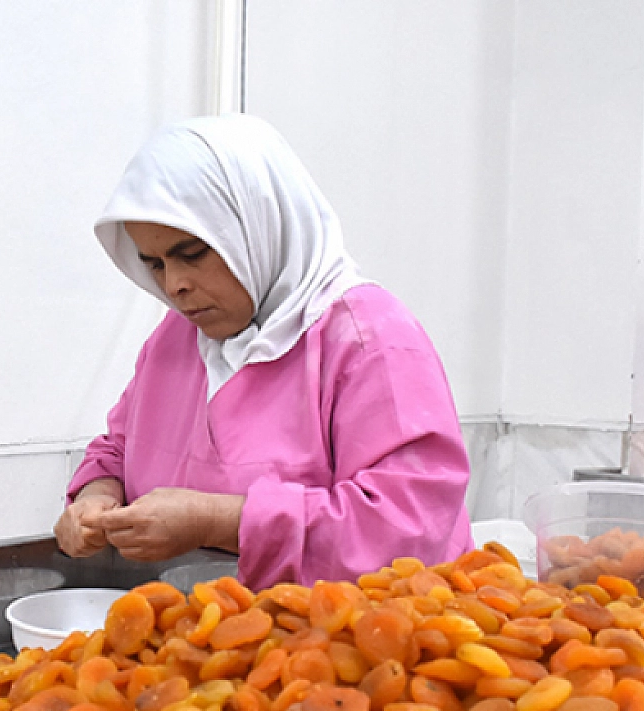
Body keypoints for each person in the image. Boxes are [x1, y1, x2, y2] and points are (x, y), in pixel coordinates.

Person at [54, 114, 473, 588]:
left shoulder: (368, 339)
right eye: (154, 264)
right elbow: (120, 447)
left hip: (358, 644)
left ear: (256, 228)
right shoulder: (178, 338)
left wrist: (217, 521)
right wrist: (97, 494)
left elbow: (407, 528)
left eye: (192, 255)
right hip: (213, 641)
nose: (175, 286)